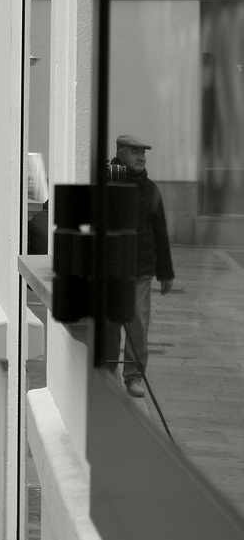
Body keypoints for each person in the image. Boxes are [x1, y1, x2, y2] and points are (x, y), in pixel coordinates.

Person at [104, 134, 174, 398]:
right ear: (121, 154)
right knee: (110, 326)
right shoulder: (108, 182)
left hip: (140, 271)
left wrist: (165, 273)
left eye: (143, 153)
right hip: (112, 271)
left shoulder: (150, 189)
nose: (142, 157)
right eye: (136, 152)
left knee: (138, 325)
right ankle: (108, 372)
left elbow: (160, 232)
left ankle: (133, 376)